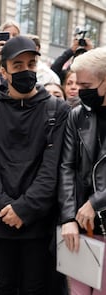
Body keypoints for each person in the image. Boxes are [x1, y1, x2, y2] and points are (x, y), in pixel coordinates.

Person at [0, 36, 70, 294]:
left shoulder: (57, 110)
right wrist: (5, 207)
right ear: (3, 71)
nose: (26, 71)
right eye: (18, 66)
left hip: (38, 220)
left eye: (31, 64)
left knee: (35, 286)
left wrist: (24, 209)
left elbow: (53, 168)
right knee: (5, 285)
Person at [59, 47, 106, 295]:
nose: (80, 89)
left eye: (86, 84)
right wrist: (68, 218)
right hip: (79, 227)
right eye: (76, 82)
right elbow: (66, 167)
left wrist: (95, 202)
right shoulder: (77, 114)